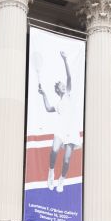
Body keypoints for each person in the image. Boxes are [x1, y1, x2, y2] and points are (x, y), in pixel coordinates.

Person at [37, 50, 79, 193]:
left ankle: (61, 180)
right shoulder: (59, 103)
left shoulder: (68, 94)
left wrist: (65, 60)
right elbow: (48, 108)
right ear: (57, 90)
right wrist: (44, 94)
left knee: (66, 160)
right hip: (61, 129)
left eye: (62, 84)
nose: (62, 85)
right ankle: (51, 172)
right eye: (60, 85)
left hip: (72, 130)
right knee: (54, 151)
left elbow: (69, 77)